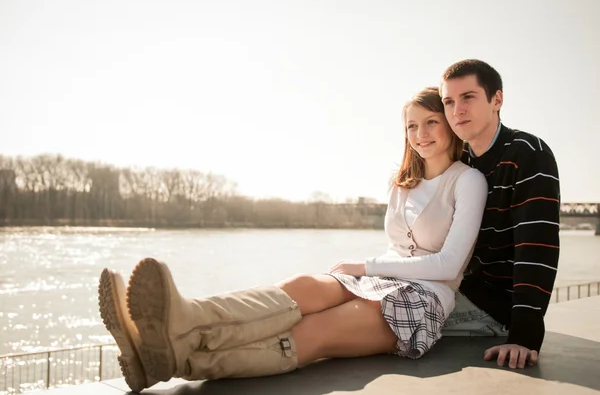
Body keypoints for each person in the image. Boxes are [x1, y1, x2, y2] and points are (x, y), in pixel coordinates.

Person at [97, 86, 488, 393]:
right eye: (411, 126)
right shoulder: (401, 182)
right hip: (380, 275)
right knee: (301, 287)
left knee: (316, 331)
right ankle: (184, 319)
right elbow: (398, 247)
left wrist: (365, 266)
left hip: (423, 297)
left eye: (431, 122)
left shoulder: (467, 181)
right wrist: (367, 271)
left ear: (450, 124)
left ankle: (177, 360)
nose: (420, 135)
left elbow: (448, 265)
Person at [437, 59, 561, 370]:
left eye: (468, 97)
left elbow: (536, 250)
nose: (457, 110)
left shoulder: (529, 154)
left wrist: (524, 336)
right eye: (449, 101)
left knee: (380, 312)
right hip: (453, 289)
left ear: (497, 100)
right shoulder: (457, 160)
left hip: (494, 308)